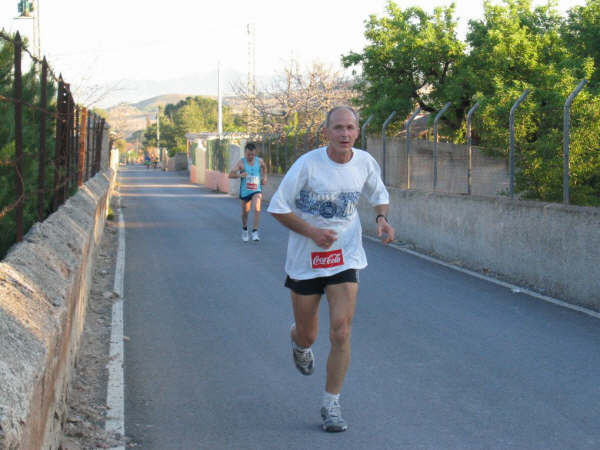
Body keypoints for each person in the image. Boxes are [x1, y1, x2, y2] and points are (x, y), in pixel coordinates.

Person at [267, 106, 395, 432]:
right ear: (327, 132)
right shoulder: (308, 165)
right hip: (305, 261)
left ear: (357, 132)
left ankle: (331, 404)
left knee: (341, 331)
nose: (345, 134)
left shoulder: (364, 162)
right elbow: (277, 208)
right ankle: (298, 342)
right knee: (309, 333)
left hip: (345, 257)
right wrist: (312, 233)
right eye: (338, 127)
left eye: (350, 128)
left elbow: (378, 194)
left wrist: (381, 219)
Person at [228, 142, 267, 242]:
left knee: (257, 207)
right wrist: (240, 175)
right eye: (248, 154)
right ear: (245, 153)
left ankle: (255, 231)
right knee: (245, 213)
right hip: (245, 191)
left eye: (252, 154)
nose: (250, 156)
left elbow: (265, 167)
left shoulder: (259, 161)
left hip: (256, 189)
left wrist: (265, 177)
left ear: (255, 153)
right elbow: (230, 175)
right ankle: (245, 230)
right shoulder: (241, 163)